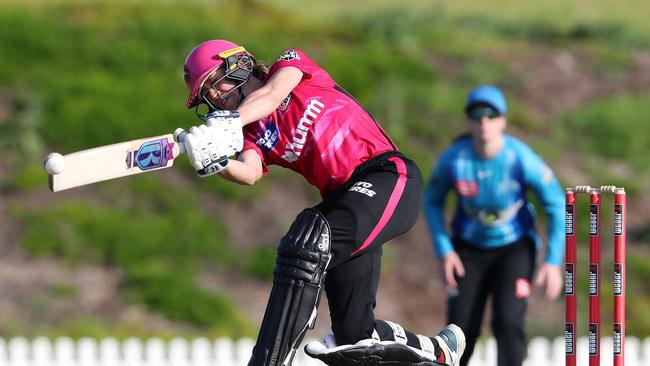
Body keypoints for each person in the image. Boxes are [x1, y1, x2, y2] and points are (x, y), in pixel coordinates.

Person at [178, 40, 466, 366]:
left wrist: (229, 122)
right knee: (354, 336)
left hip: (387, 176)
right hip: (346, 203)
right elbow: (249, 172)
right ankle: (437, 351)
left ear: (239, 64)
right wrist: (217, 163)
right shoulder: (252, 133)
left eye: (214, 84)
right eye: (206, 96)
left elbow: (272, 95)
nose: (213, 98)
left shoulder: (289, 65)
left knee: (309, 238)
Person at [422, 85, 565, 366]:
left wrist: (552, 262)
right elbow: (432, 201)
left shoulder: (520, 157)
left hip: (514, 249)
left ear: (503, 120)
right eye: (477, 115)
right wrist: (444, 251)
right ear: (469, 120)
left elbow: (557, 203)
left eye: (491, 114)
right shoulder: (454, 159)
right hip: (468, 251)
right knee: (460, 330)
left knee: (508, 323)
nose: (484, 122)